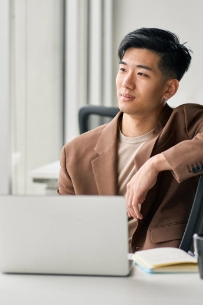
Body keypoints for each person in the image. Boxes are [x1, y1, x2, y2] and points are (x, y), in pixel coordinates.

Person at [57, 28, 203, 252]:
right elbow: (61, 227)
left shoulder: (186, 125)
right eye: (123, 70)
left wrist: (155, 165)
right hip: (95, 268)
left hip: (161, 272)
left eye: (141, 74)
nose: (127, 83)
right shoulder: (76, 152)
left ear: (169, 88)